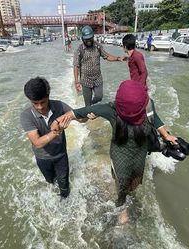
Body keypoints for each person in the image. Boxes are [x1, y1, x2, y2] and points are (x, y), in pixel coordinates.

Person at [57, 80, 177, 222]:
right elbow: (76, 113)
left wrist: (166, 135)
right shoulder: (112, 111)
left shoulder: (147, 104)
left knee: (135, 180)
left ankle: (127, 194)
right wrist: (57, 123)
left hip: (139, 154)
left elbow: (155, 118)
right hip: (120, 156)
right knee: (121, 183)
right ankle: (122, 209)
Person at [20, 77, 72, 199]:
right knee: (50, 180)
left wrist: (85, 115)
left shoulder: (59, 106)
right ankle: (54, 192)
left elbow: (80, 117)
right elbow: (37, 143)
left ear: (48, 96)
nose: (39, 107)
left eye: (42, 102)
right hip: (42, 158)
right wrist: (55, 131)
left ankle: (65, 199)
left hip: (61, 155)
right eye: (35, 103)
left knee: (64, 183)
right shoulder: (26, 116)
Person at [73, 25, 124, 106]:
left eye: (90, 38)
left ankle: (91, 104)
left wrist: (117, 58)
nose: (89, 40)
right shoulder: (79, 50)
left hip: (97, 79)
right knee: (87, 105)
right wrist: (76, 82)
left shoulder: (98, 46)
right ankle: (88, 108)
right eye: (86, 39)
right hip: (85, 80)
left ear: (93, 36)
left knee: (99, 97)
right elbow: (76, 66)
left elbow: (106, 56)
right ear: (83, 38)